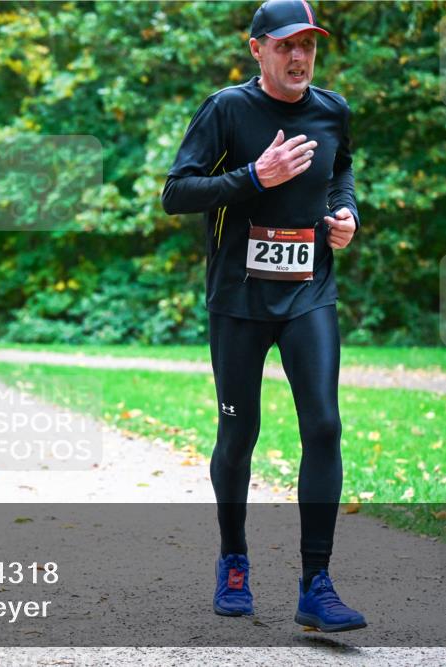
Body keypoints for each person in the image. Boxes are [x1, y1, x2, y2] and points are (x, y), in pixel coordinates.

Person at [160, 0, 365, 633]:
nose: (299, 57)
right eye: (285, 46)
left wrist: (347, 215)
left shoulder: (332, 110)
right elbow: (177, 192)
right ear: (257, 50)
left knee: (324, 426)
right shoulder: (226, 110)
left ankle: (316, 584)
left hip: (309, 292)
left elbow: (341, 172)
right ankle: (234, 560)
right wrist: (254, 176)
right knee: (238, 433)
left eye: (308, 45)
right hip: (239, 301)